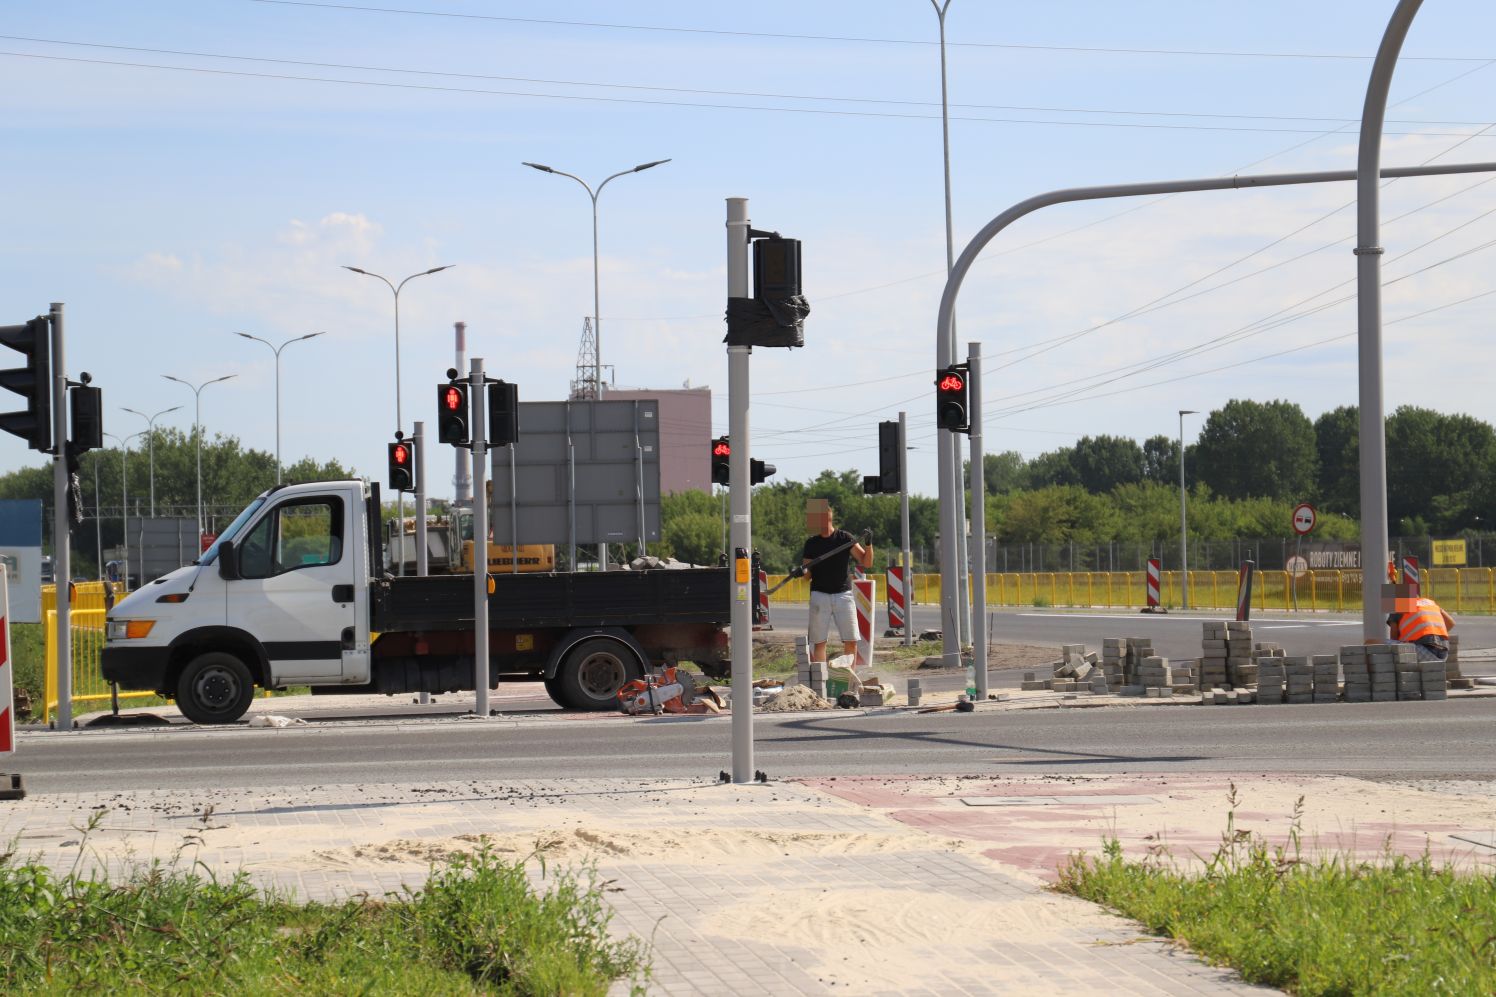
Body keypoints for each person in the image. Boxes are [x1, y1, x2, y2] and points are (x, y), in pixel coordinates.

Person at [800, 505, 872, 669]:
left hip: (843, 595)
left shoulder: (845, 538)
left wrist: (868, 544)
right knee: (819, 641)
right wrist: (802, 570)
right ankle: (821, 680)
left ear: (828, 517)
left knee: (851, 640)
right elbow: (807, 576)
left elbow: (866, 562)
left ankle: (848, 680)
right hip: (819, 595)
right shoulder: (811, 543)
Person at [1386, 591, 1455, 662]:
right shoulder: (1430, 603)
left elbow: (1394, 638)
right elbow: (1451, 624)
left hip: (1424, 650)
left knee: (1382, 643)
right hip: (1443, 654)